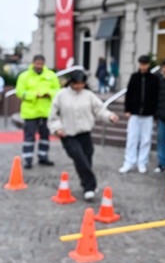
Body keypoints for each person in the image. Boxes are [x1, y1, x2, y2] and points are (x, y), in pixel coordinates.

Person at [48, 70, 119, 201]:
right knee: (79, 158)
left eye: (82, 84)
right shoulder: (61, 95)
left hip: (85, 133)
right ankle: (90, 187)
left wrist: (110, 116)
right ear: (71, 82)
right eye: (77, 84)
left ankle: (85, 183)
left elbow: (99, 109)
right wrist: (57, 128)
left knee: (87, 159)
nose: (79, 86)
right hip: (67, 134)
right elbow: (53, 115)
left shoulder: (89, 95)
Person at [15, 54, 60, 169]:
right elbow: (20, 92)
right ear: (33, 63)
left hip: (46, 111)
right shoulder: (24, 76)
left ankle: (43, 157)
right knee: (29, 136)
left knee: (45, 136)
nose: (39, 65)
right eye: (37, 63)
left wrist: (49, 94)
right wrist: (35, 96)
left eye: (41, 63)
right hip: (30, 112)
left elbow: (57, 90)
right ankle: (27, 159)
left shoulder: (51, 75)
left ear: (44, 63)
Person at [119, 54, 158, 174]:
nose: (143, 66)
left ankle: (142, 162)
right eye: (141, 64)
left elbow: (156, 96)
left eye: (145, 64)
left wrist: (154, 112)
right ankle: (129, 162)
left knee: (146, 140)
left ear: (148, 65)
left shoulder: (154, 79)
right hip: (135, 114)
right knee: (131, 138)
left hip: (148, 114)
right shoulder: (134, 77)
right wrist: (127, 109)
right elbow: (129, 94)